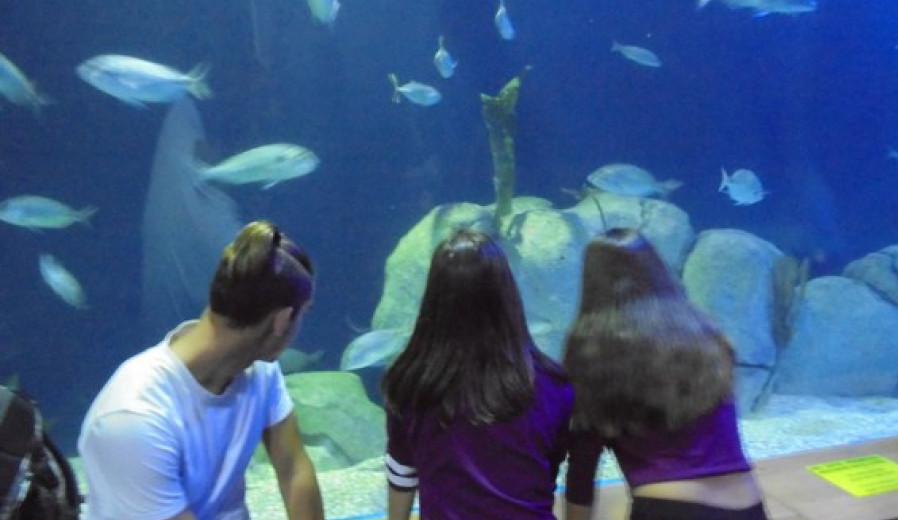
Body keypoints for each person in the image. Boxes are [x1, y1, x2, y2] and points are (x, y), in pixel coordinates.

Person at [78, 220, 324, 520]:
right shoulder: (132, 418)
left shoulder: (261, 371)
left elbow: (294, 469)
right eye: (304, 315)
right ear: (283, 321)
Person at [563, 228, 768, 520]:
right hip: (747, 504)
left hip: (668, 508)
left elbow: (583, 463)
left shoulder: (591, 351)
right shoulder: (706, 333)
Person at [381, 229, 573, 520]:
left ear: (434, 298)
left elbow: (402, 476)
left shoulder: (408, 383)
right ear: (506, 294)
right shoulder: (553, 383)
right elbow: (546, 472)